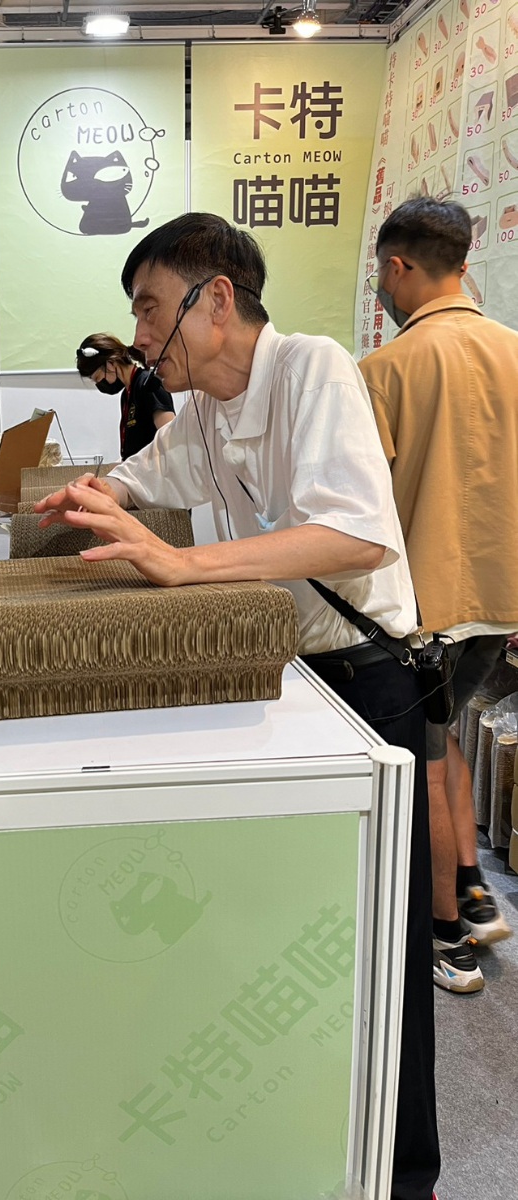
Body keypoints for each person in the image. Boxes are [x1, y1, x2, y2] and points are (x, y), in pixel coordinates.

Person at [36, 212, 438, 1200]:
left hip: (369, 681)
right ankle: (308, 1142)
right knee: (307, 936)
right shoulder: (209, 411)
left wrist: (181, 565)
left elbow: (355, 533)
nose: (140, 336)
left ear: (215, 299)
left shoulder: (311, 369)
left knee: (382, 947)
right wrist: (90, 494)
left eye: (149, 308)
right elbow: (145, 476)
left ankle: (405, 1170)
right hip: (297, 678)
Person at [359, 197, 518, 994]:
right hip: (503, 595)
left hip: (428, 603)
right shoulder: (513, 350)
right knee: (445, 737)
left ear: (397, 267)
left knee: (420, 760)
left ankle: (445, 934)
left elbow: (361, 506)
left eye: (380, 278)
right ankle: (475, 893)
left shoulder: (385, 370)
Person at [75, 332, 175, 459]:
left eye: (98, 378)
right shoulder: (126, 394)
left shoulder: (148, 385)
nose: (99, 384)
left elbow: (170, 439)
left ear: (111, 363)